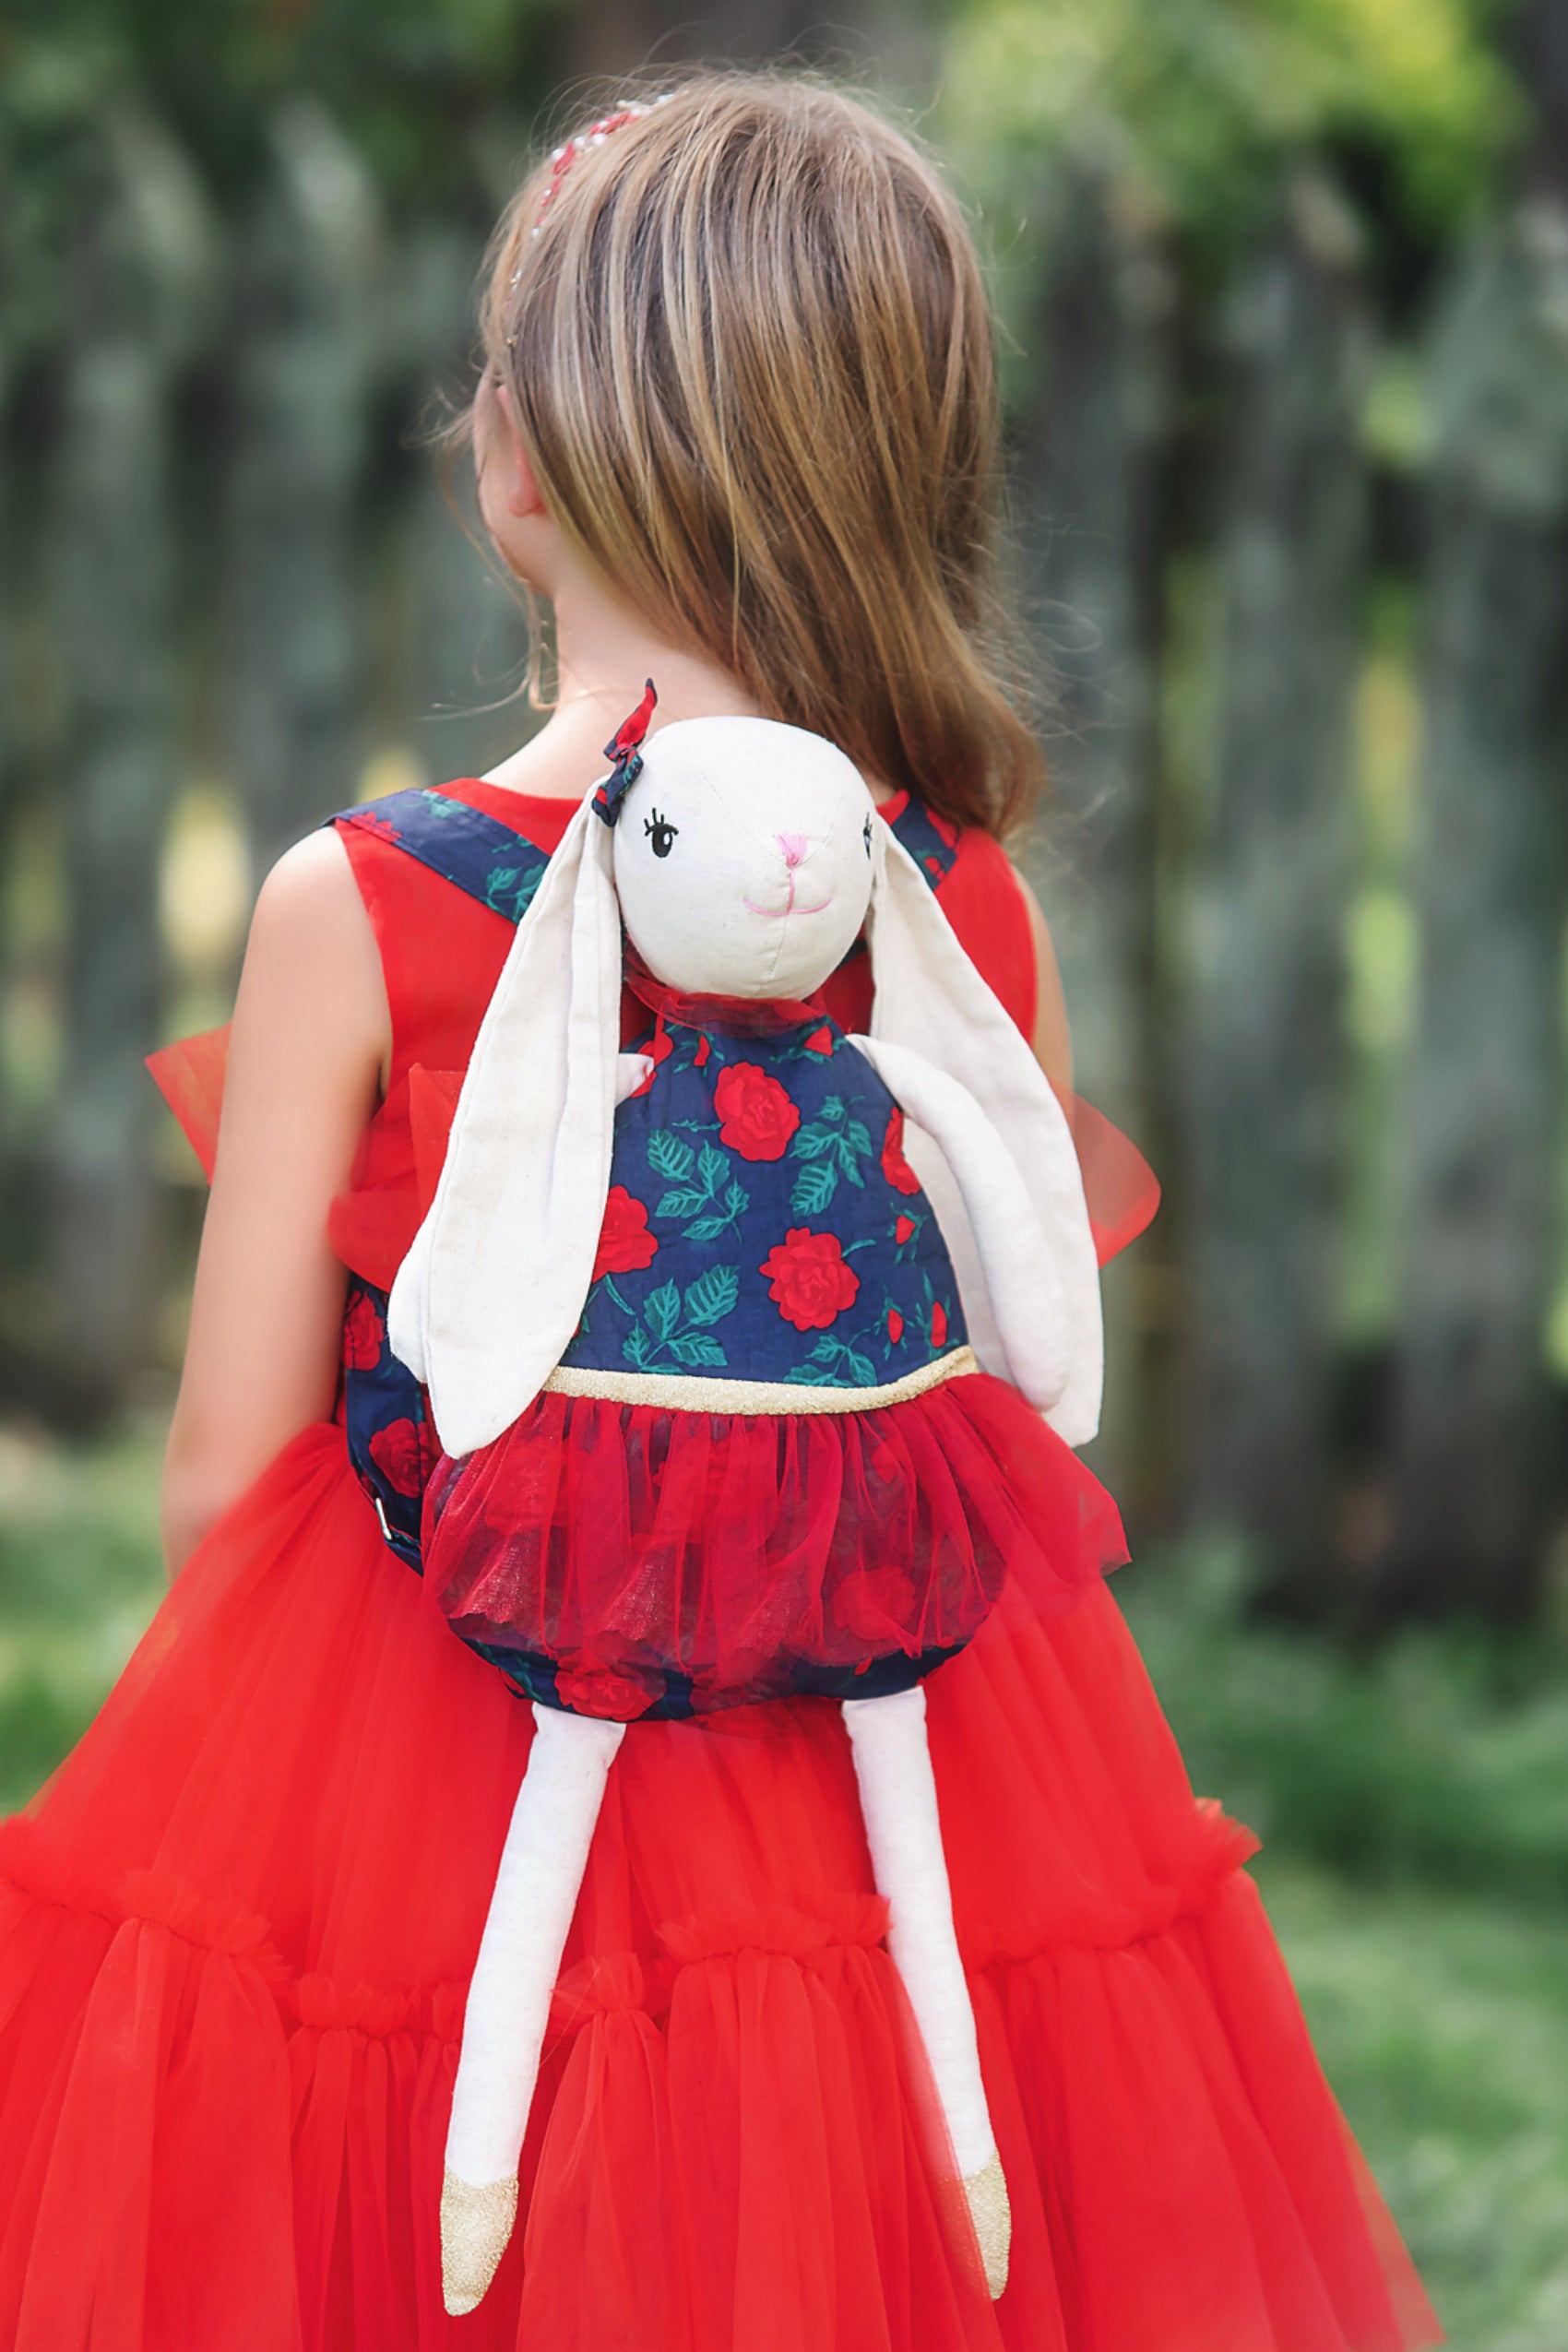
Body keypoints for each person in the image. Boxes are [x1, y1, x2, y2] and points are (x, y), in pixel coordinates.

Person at [0, 71, 1440, 2352]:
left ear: (517, 463)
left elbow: (222, 1479)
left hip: (438, 1755)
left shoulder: (361, 906)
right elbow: (997, 1379)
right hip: (889, 1764)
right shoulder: (953, 908)